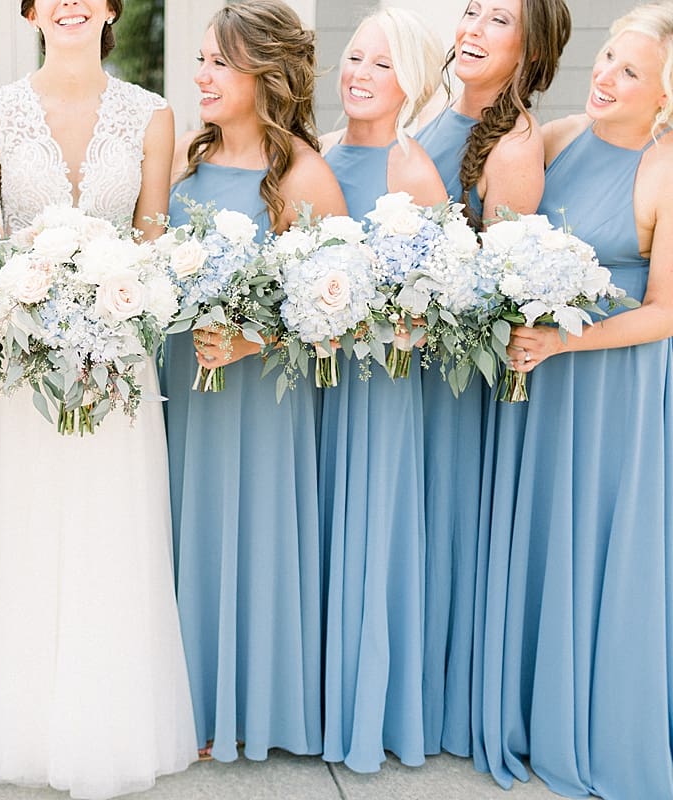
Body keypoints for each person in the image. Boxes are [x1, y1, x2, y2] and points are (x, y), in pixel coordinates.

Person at [0, 1, 199, 796]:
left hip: (120, 356)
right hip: (20, 359)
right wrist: (38, 309)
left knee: (113, 529)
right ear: (31, 9)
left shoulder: (153, 115)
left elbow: (153, 244)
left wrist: (113, 304)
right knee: (26, 527)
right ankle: (22, 727)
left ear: (113, 8)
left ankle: (109, 725)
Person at [480, 5, 673, 796]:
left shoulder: (665, 172)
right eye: (606, 61)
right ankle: (522, 711)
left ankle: (592, 721)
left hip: (613, 394)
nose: (604, 77)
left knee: (596, 548)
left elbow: (666, 311)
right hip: (539, 385)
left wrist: (565, 341)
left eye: (630, 72)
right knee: (541, 539)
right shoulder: (556, 141)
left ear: (664, 96)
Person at [163, 0, 344, 765]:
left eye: (218, 63)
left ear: (265, 74)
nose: (200, 75)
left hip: (260, 393)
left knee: (253, 534)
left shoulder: (304, 175)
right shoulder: (185, 160)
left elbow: (340, 313)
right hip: (182, 382)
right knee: (182, 530)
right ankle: (184, 700)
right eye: (200, 59)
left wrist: (248, 338)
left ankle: (252, 704)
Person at [412, 0, 569, 758]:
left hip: (445, 384)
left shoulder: (510, 147)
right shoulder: (434, 112)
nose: (472, 28)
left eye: (497, 20)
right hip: (396, 359)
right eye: (470, 11)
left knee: (436, 532)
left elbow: (493, 295)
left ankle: (435, 702)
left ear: (529, 52)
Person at [316, 7, 447, 773]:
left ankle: (364, 713)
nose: (358, 74)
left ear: (412, 83)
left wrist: (368, 326)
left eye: (381, 65)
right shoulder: (321, 152)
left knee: (366, 533)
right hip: (313, 380)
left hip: (377, 386)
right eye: (355, 58)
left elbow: (432, 306)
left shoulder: (412, 168)